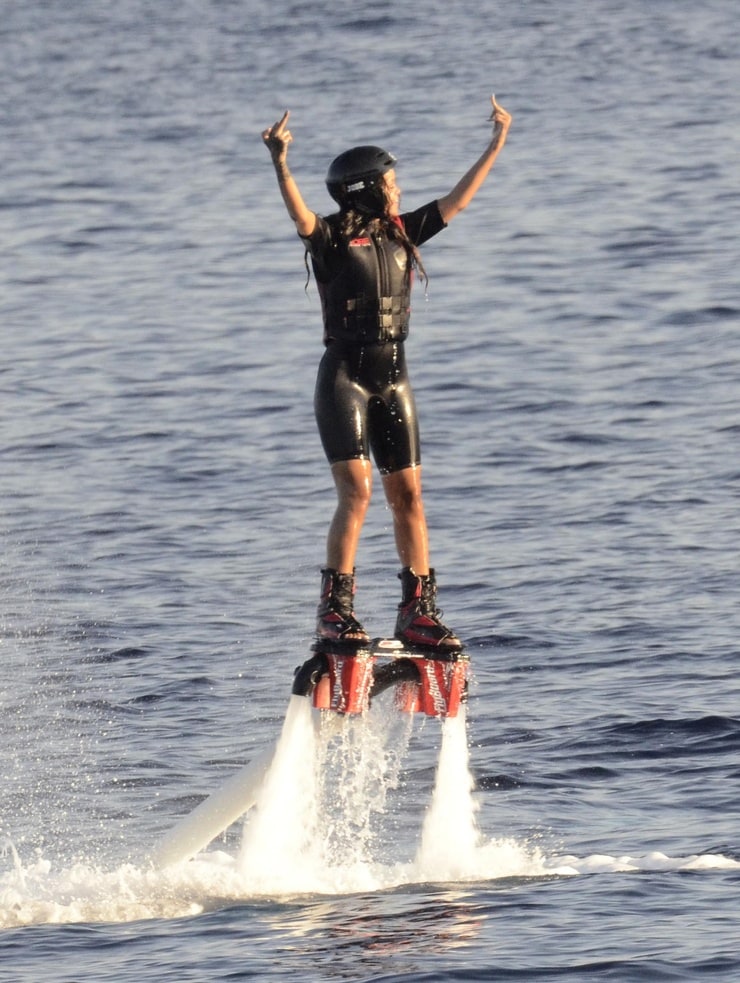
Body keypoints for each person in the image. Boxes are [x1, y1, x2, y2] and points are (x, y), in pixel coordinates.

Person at [262, 95, 512, 652]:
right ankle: (335, 612)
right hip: (345, 380)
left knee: (410, 497)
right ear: (365, 188)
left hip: (394, 378)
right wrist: (280, 162)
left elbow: (458, 202)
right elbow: (299, 216)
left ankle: (417, 611)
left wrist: (495, 144)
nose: (398, 188)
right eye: (390, 181)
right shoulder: (328, 240)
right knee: (357, 493)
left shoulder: (402, 232)